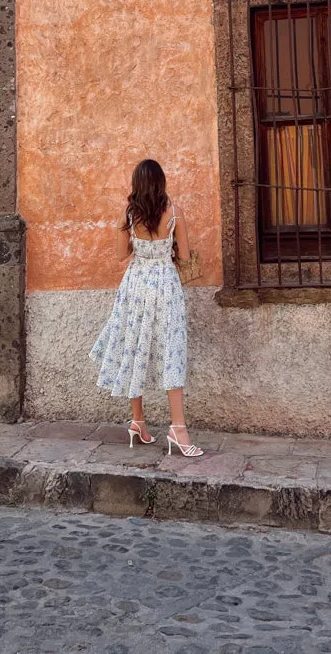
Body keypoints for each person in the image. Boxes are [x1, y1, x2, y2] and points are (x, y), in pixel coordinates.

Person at [89, 159, 203, 457]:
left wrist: (136, 240)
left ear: (137, 184)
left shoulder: (128, 215)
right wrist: (171, 248)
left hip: (136, 285)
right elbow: (187, 256)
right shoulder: (175, 213)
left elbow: (120, 255)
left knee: (134, 348)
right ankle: (178, 427)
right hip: (165, 285)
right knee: (171, 351)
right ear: (161, 182)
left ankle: (138, 421)